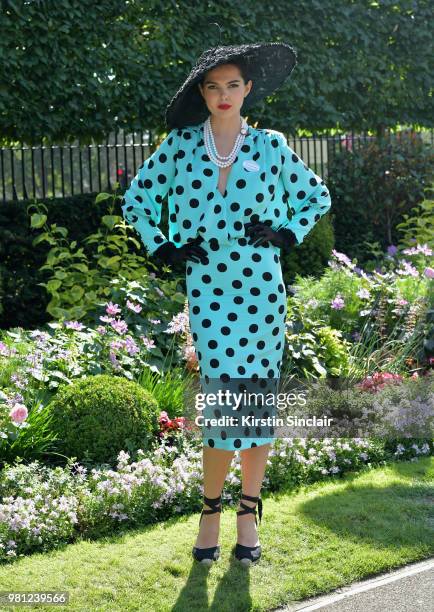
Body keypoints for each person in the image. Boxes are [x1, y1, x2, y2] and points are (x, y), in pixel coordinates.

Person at [121, 41, 332, 566]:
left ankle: (249, 515)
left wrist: (287, 232)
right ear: (202, 92)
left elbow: (316, 195)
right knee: (220, 402)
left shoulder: (271, 145)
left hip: (261, 292)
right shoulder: (179, 145)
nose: (223, 95)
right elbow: (137, 198)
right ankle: (209, 514)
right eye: (213, 86)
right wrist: (163, 241)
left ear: (248, 90)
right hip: (209, 292)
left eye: (232, 85)